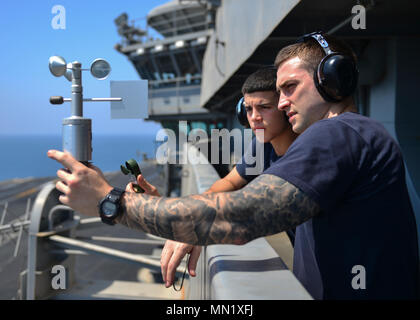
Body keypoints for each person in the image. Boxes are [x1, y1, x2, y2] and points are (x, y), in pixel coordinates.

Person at [47, 32, 419, 300]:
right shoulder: (351, 134)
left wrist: (110, 201)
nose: (283, 102)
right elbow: (234, 198)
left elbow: (241, 217)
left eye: (290, 87)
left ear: (332, 79)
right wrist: (175, 212)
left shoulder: (337, 135)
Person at [129, 68, 297, 288]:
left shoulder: (303, 151)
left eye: (264, 108)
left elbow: (253, 210)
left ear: (285, 108)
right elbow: (230, 182)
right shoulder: (263, 144)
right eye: (248, 109)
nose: (254, 117)